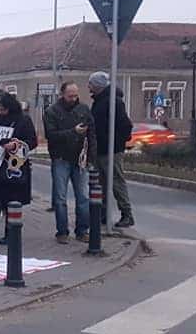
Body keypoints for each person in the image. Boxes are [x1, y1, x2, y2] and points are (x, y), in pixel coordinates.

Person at [0, 92, 38, 244]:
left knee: (10, 201)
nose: (0, 112)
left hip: (13, 167)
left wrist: (15, 145)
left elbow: (32, 141)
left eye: (2, 110)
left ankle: (10, 232)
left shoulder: (23, 120)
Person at [44, 81, 97, 244]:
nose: (73, 98)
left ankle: (82, 230)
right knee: (60, 198)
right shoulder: (52, 111)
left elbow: (92, 135)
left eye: (76, 95)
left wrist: (91, 158)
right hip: (60, 157)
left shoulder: (84, 109)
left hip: (80, 158)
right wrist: (72, 132)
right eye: (70, 96)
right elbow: (51, 135)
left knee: (83, 197)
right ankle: (62, 231)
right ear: (62, 95)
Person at [89, 71, 135, 228]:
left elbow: (125, 125)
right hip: (100, 150)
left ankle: (127, 215)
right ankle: (102, 214)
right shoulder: (99, 101)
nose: (89, 87)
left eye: (91, 84)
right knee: (100, 184)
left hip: (111, 150)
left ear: (98, 86)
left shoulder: (114, 102)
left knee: (116, 181)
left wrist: (116, 143)